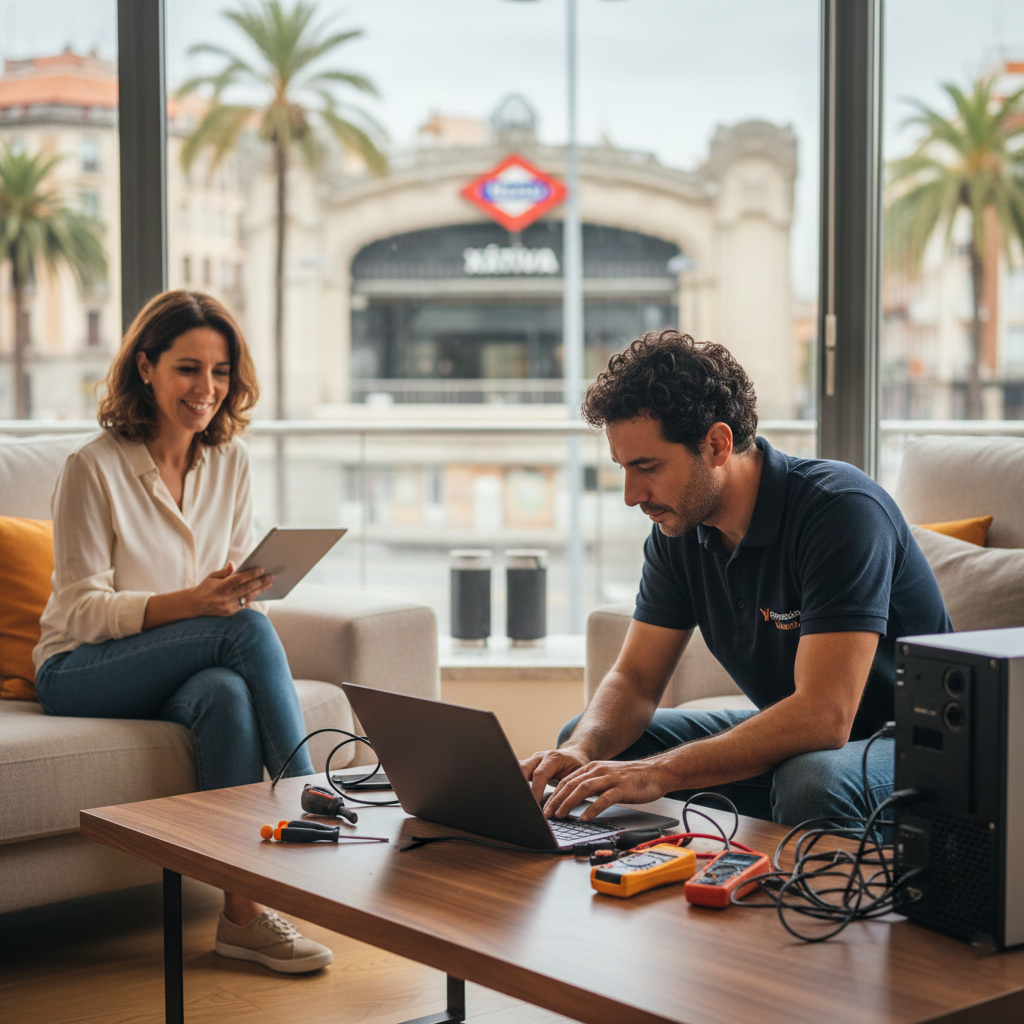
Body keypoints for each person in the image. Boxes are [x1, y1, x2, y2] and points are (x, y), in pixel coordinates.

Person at [522, 330, 952, 829]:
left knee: (811, 780)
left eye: (647, 467)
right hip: (809, 746)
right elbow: (635, 679)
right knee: (591, 745)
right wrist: (579, 751)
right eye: (622, 468)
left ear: (718, 444)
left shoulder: (841, 511)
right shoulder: (678, 528)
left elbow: (825, 715)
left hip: (917, 745)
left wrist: (659, 773)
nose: (631, 494)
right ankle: (648, 879)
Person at [33, 290, 332, 974]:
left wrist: (235, 593)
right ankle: (313, 796)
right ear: (146, 367)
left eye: (220, 371)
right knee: (245, 639)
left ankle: (242, 916)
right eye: (188, 369)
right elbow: (80, 607)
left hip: (183, 661)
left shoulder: (230, 461)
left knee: (227, 691)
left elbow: (223, 592)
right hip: (80, 669)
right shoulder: (92, 468)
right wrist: (193, 603)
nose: (207, 389)